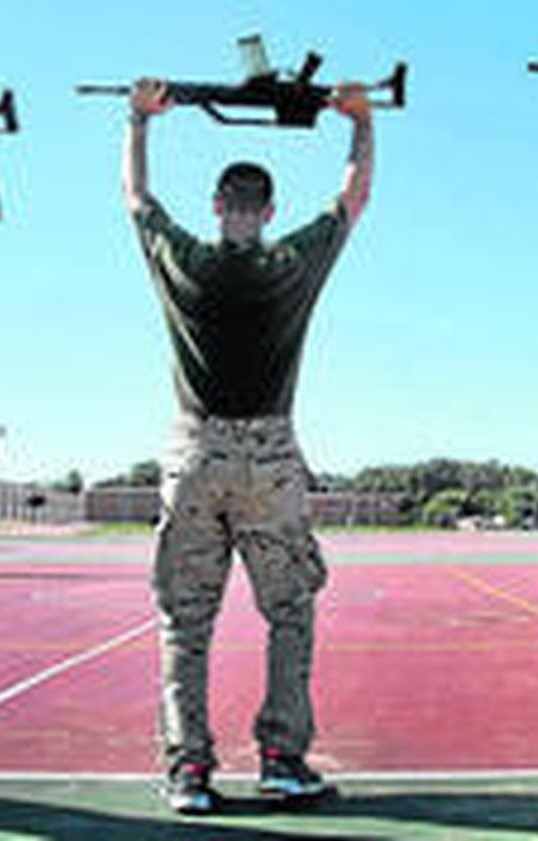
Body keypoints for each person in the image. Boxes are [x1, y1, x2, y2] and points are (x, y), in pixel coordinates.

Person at [123, 76, 373, 814]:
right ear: (267, 212)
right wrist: (358, 121)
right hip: (269, 454)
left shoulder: (184, 260)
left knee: (184, 621)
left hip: (193, 449)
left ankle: (187, 769)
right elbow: (351, 198)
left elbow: (136, 199)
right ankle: (281, 758)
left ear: (216, 206)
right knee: (289, 608)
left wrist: (139, 121)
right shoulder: (289, 262)